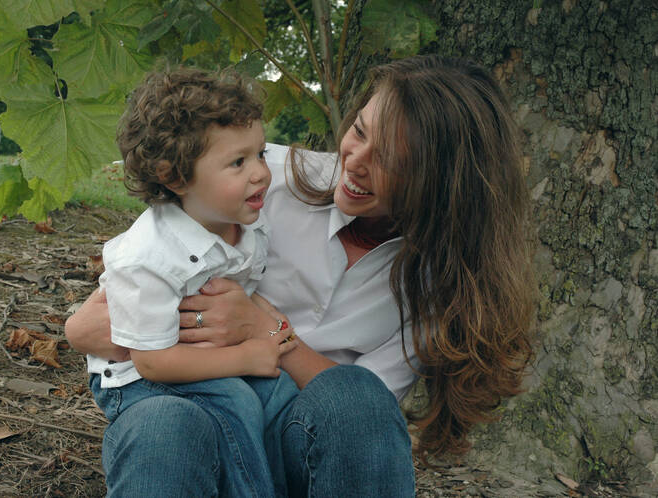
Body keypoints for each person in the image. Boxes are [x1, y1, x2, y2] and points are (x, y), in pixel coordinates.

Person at [66, 55, 535, 497]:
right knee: (163, 427)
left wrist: (266, 332)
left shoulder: (441, 285)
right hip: (193, 413)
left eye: (390, 159)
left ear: (443, 183)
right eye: (359, 130)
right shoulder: (256, 176)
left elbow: (367, 413)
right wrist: (208, 335)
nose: (354, 161)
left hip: (311, 445)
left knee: (356, 395)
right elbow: (92, 326)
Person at [86, 67, 299, 497]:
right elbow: (152, 362)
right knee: (236, 401)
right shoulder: (148, 256)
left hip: (202, 354)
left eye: (260, 153)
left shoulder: (246, 224)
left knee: (280, 394)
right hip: (138, 377)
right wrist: (246, 358)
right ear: (176, 177)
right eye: (238, 162)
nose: (260, 173)